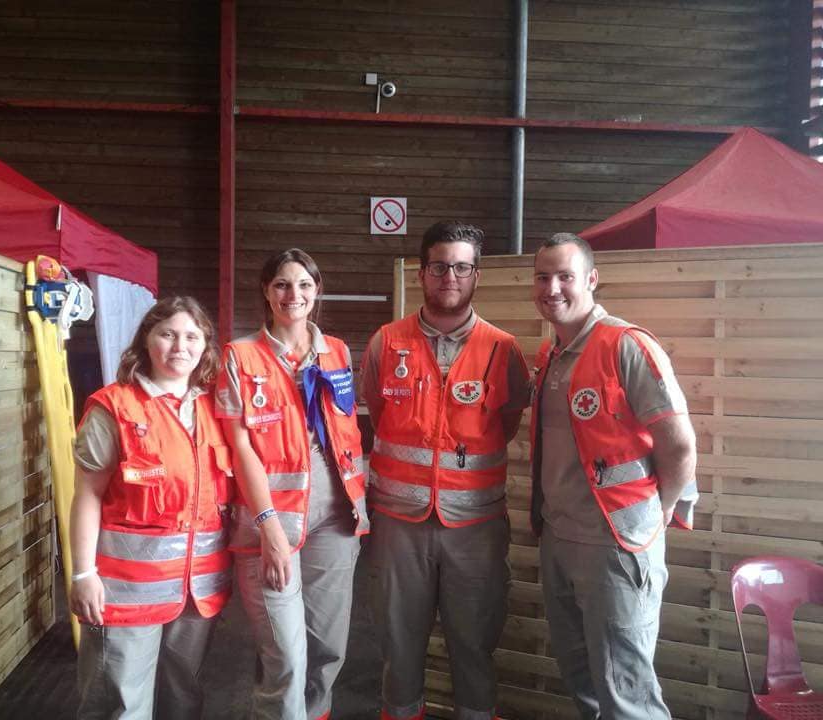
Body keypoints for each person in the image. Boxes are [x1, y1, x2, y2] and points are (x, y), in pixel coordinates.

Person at [360, 221, 530, 720]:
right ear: (422, 274)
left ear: (476, 275)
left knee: (475, 646)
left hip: (475, 527)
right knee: (399, 645)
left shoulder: (504, 348)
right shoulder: (386, 342)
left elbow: (509, 423)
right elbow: (376, 411)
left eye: (461, 266)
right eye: (439, 266)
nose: (449, 276)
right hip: (397, 523)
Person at [530, 232, 698, 719]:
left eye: (565, 276)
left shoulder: (627, 345)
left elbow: (681, 445)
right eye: (543, 277)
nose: (552, 287)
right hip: (559, 538)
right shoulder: (551, 355)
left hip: (616, 546)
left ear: (592, 280)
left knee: (625, 689)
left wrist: (660, 511)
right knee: (582, 679)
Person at [216, 248, 369, 720]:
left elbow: (344, 429)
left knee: (328, 646)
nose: (293, 294)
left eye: (303, 285)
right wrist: (267, 526)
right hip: (271, 519)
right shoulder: (239, 356)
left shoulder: (337, 351)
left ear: (316, 290)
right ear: (266, 291)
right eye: (282, 284)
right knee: (284, 653)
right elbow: (240, 448)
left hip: (337, 513)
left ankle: (316, 713)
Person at [69, 295, 233, 720]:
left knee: (184, 698)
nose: (181, 346)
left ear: (206, 346)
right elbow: (87, 493)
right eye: (168, 334)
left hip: (198, 595)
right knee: (120, 702)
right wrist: (83, 574)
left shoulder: (216, 408)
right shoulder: (114, 407)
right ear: (146, 341)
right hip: (125, 593)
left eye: (192, 336)